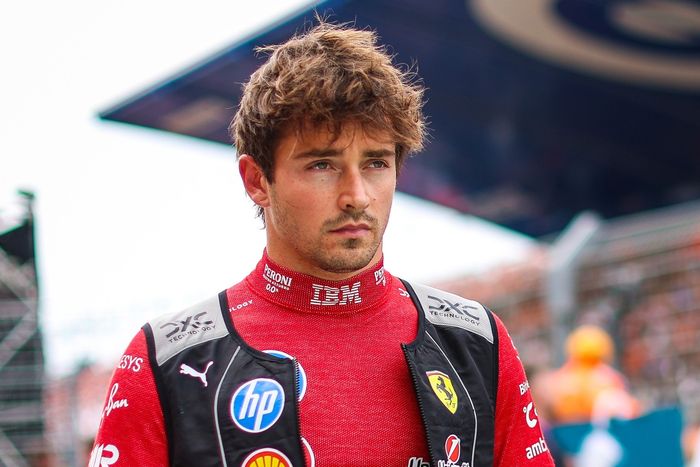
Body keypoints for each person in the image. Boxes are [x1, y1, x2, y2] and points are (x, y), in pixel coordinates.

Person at [90, 21, 554, 467]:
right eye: (322, 165)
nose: (357, 196)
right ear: (256, 181)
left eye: (375, 163)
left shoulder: (476, 339)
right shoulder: (169, 358)